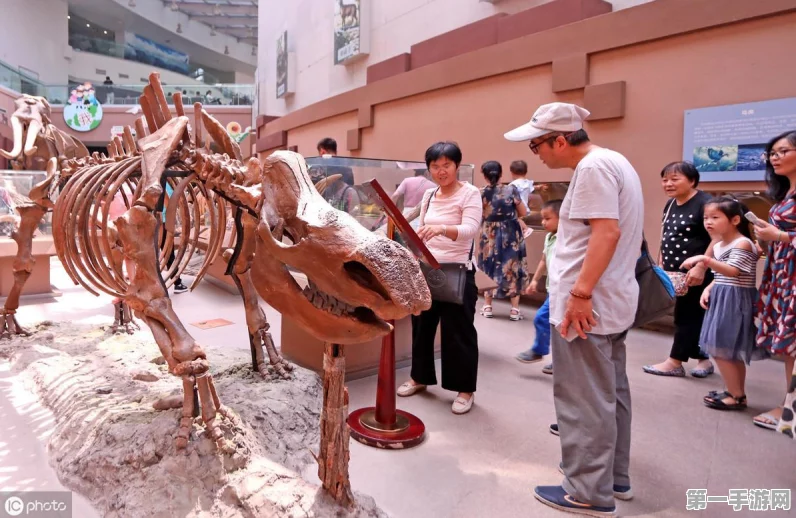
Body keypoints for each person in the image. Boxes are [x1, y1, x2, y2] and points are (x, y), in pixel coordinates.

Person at [505, 102, 642, 516]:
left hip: (588, 307)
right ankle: (612, 476)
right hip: (610, 301)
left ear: (559, 140)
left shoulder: (592, 169)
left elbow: (606, 233)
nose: (538, 155)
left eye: (537, 146)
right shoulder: (613, 160)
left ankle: (586, 490)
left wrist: (580, 295)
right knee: (609, 392)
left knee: (584, 399)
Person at [397, 142, 482, 415]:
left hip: (457, 271)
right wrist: (415, 251)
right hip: (427, 270)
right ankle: (419, 377)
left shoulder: (470, 193)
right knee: (421, 327)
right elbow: (422, 230)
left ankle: (464, 390)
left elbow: (470, 229)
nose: (441, 171)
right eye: (435, 166)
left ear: (457, 166)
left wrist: (441, 229)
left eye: (446, 165)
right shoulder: (430, 195)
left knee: (459, 332)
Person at [681, 197, 765, 410]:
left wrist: (704, 260)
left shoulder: (743, 243)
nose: (708, 222)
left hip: (735, 299)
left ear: (735, 219)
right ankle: (735, 392)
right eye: (706, 218)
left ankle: (736, 395)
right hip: (723, 294)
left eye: (715, 217)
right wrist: (709, 289)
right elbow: (723, 276)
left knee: (723, 349)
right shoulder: (720, 245)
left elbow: (734, 272)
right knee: (726, 349)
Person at [643, 162, 715, 378]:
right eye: (665, 179)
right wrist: (660, 265)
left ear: (692, 181)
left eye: (675, 179)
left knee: (687, 316)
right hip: (675, 273)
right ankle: (703, 359)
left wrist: (702, 266)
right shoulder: (671, 203)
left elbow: (717, 239)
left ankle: (674, 362)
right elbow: (668, 235)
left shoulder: (706, 204)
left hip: (697, 271)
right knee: (690, 315)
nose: (668, 183)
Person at [751, 130, 796, 435]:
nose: (775, 158)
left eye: (782, 151)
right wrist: (767, 240)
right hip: (782, 274)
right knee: (790, 346)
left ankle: (789, 407)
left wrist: (779, 236)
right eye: (772, 153)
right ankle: (789, 403)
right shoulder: (785, 194)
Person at [476, 160, 528, 320]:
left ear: (484, 176)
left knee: (489, 267)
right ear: (501, 173)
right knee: (513, 267)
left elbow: (478, 215)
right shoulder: (511, 190)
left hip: (489, 233)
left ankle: (488, 306)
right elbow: (523, 212)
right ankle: (514, 310)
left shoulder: (481, 192)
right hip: (510, 233)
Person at [516, 199, 561, 368]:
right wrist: (535, 280)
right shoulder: (550, 237)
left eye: (547, 218)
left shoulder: (567, 239)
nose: (543, 222)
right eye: (542, 218)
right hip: (553, 289)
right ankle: (554, 358)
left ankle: (545, 353)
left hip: (563, 290)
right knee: (551, 322)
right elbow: (543, 260)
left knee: (546, 320)